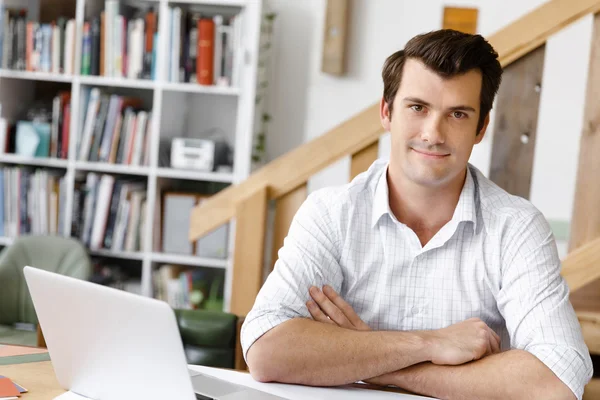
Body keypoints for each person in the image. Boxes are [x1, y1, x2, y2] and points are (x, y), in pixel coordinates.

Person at [240, 29, 593, 400]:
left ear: (481, 128)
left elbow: (557, 381)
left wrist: (377, 363)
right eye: (417, 107)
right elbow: (267, 350)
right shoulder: (330, 214)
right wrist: (428, 344)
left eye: (457, 114)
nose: (432, 133)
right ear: (386, 112)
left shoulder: (516, 227)